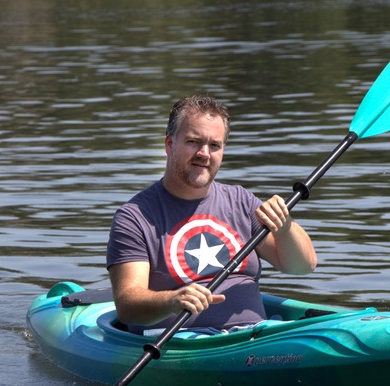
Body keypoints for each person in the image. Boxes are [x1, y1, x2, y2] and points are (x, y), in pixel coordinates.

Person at [106, 95, 317, 335]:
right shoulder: (134, 217)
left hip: (256, 335)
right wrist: (171, 300)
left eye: (214, 145)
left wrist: (285, 225)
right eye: (194, 141)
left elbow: (303, 266)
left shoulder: (241, 201)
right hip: (182, 343)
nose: (204, 153)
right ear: (169, 145)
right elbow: (127, 306)